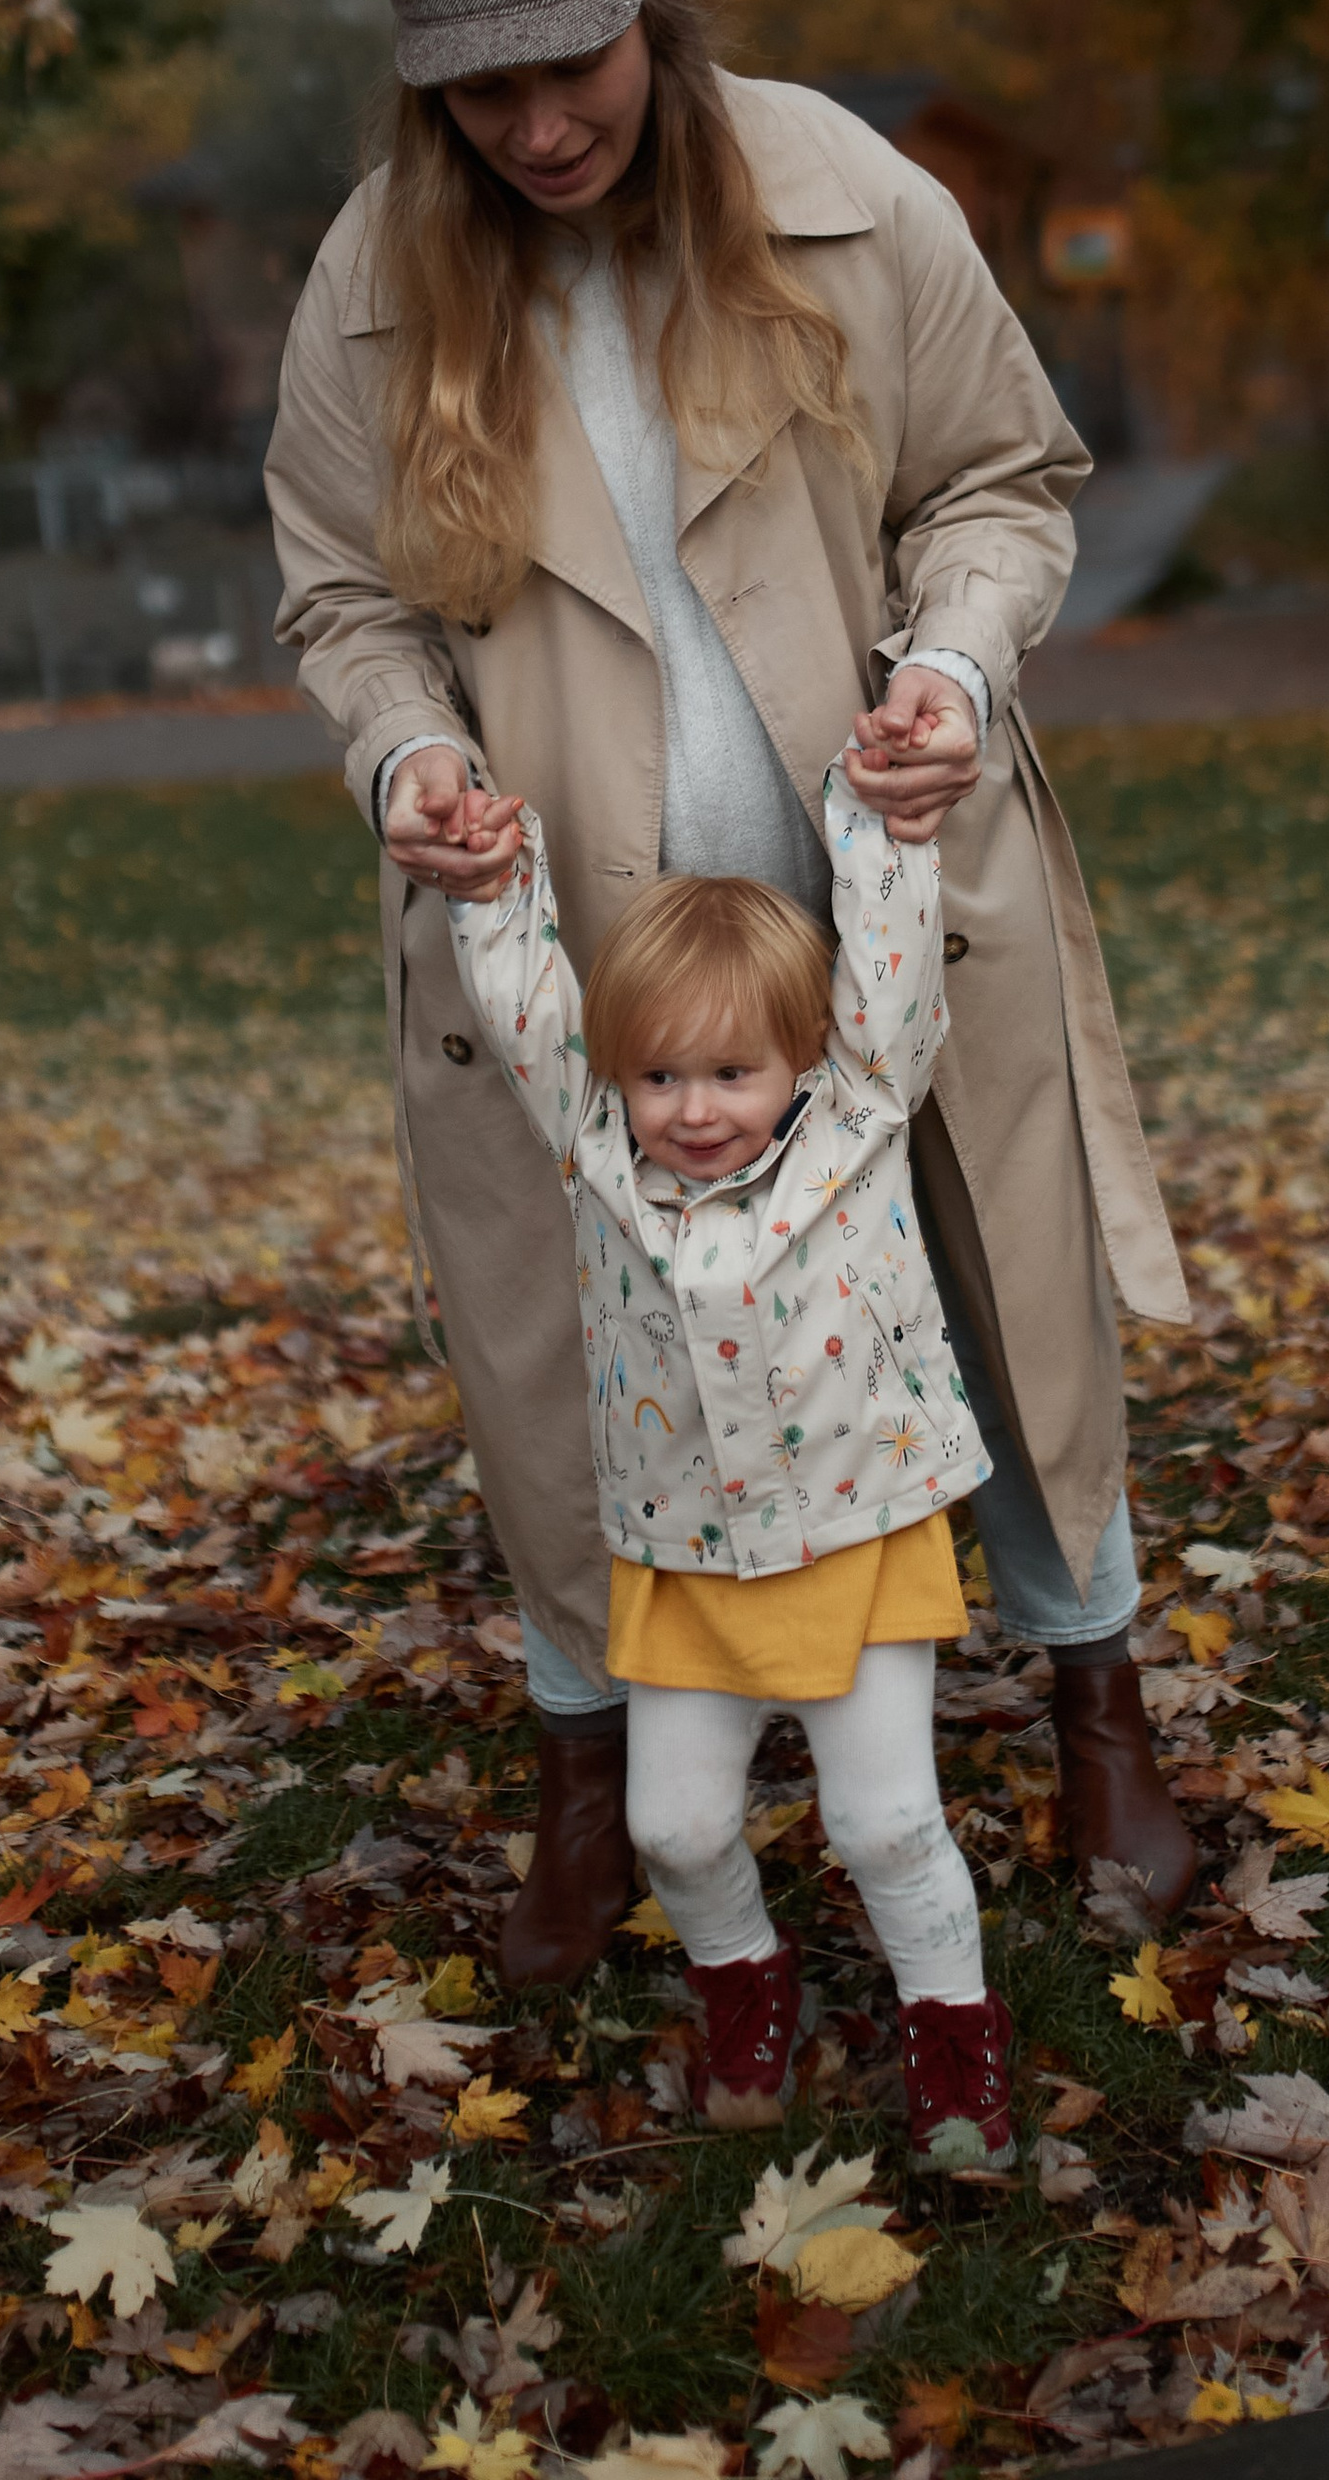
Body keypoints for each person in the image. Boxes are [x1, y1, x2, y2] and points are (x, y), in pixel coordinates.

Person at [265, 0, 1198, 1989]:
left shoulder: (853, 202)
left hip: (872, 880)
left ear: (649, 7)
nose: (528, 127)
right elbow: (342, 601)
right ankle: (593, 1772)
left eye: (561, 71)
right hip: (564, 943)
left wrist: (955, 661)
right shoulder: (371, 284)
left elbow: (1005, 481)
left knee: (989, 1292)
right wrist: (405, 750)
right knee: (571, 1350)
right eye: (471, 90)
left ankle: (1091, 1700)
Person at [436, 725, 1017, 2161]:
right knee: (679, 1832)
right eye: (661, 1079)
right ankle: (747, 1988)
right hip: (684, 1550)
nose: (693, 1111)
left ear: (802, 1058)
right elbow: (530, 1014)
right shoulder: (596, 1153)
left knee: (885, 1823)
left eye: (731, 1074)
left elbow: (887, 972)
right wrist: (496, 893)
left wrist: (883, 833)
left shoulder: (862, 1117)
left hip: (855, 1524)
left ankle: (955, 2040)